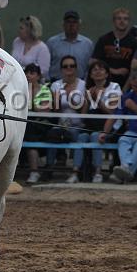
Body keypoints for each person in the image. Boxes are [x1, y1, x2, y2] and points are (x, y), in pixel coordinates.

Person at [71, 60, 122, 183]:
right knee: (81, 137)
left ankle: (98, 172)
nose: (98, 72)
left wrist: (97, 100)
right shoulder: (89, 90)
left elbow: (112, 113)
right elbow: (83, 116)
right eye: (94, 69)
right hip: (91, 125)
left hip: (109, 127)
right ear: (91, 75)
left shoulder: (114, 87)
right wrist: (87, 101)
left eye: (101, 69)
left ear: (107, 73)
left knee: (95, 136)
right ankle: (75, 172)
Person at [99, 68, 137, 183]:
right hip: (133, 131)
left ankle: (124, 173)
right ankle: (126, 169)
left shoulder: (131, 100)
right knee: (123, 140)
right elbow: (114, 117)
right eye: (132, 86)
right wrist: (105, 132)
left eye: (136, 86)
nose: (133, 89)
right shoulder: (128, 96)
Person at [46, 55, 86, 183]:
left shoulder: (83, 85)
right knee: (52, 136)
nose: (69, 69)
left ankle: (75, 172)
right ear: (61, 69)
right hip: (60, 124)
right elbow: (55, 109)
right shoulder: (56, 85)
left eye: (72, 66)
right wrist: (57, 100)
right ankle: (49, 169)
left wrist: (69, 95)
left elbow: (84, 109)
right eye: (65, 66)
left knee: (77, 138)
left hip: (77, 124)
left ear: (76, 68)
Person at [91, 7, 137, 89]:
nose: (122, 21)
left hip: (125, 86)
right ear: (113, 21)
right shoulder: (104, 40)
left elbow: (135, 69)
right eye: (119, 18)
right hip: (103, 86)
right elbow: (93, 61)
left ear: (129, 22)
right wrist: (114, 71)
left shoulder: (134, 43)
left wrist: (125, 90)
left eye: (125, 19)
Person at [23, 63, 52, 183]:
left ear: (39, 76)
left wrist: (30, 100)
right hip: (24, 123)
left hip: (40, 124)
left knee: (30, 133)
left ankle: (34, 171)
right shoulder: (20, 89)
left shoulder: (45, 89)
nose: (28, 75)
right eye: (27, 72)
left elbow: (45, 109)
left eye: (32, 73)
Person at [46, 10, 93, 82]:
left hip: (80, 84)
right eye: (68, 22)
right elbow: (46, 65)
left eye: (74, 22)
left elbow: (90, 67)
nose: (71, 25)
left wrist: (86, 83)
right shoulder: (52, 42)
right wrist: (48, 82)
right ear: (63, 24)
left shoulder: (88, 44)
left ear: (79, 25)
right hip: (55, 83)